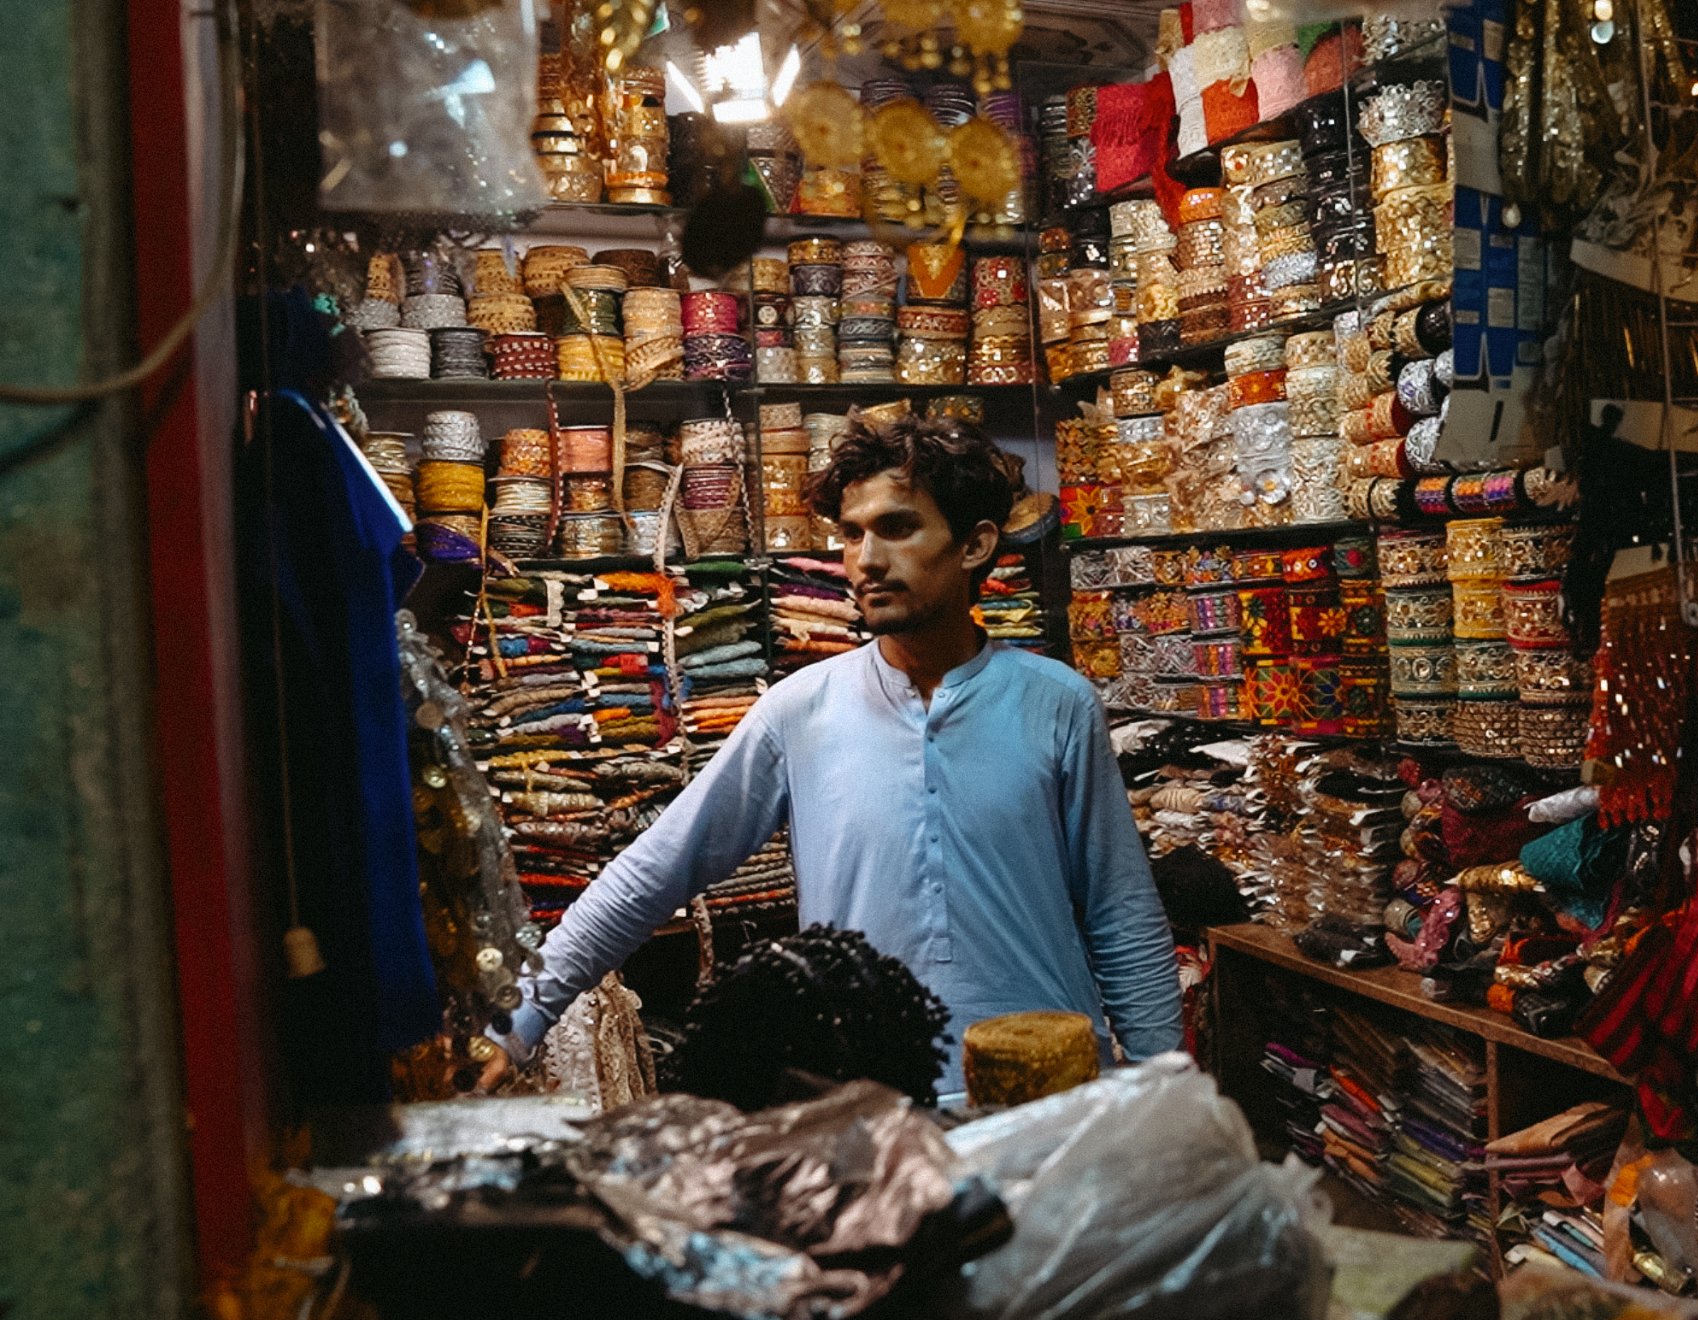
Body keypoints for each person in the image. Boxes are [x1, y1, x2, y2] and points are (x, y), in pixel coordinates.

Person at [479, 415, 1182, 1098]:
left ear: (974, 544)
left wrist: (1161, 1091)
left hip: (1049, 1092)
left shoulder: (1058, 705)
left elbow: (1121, 915)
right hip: (868, 1100)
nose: (865, 559)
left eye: (897, 528)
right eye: (850, 534)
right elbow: (652, 872)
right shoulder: (801, 710)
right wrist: (520, 1021)